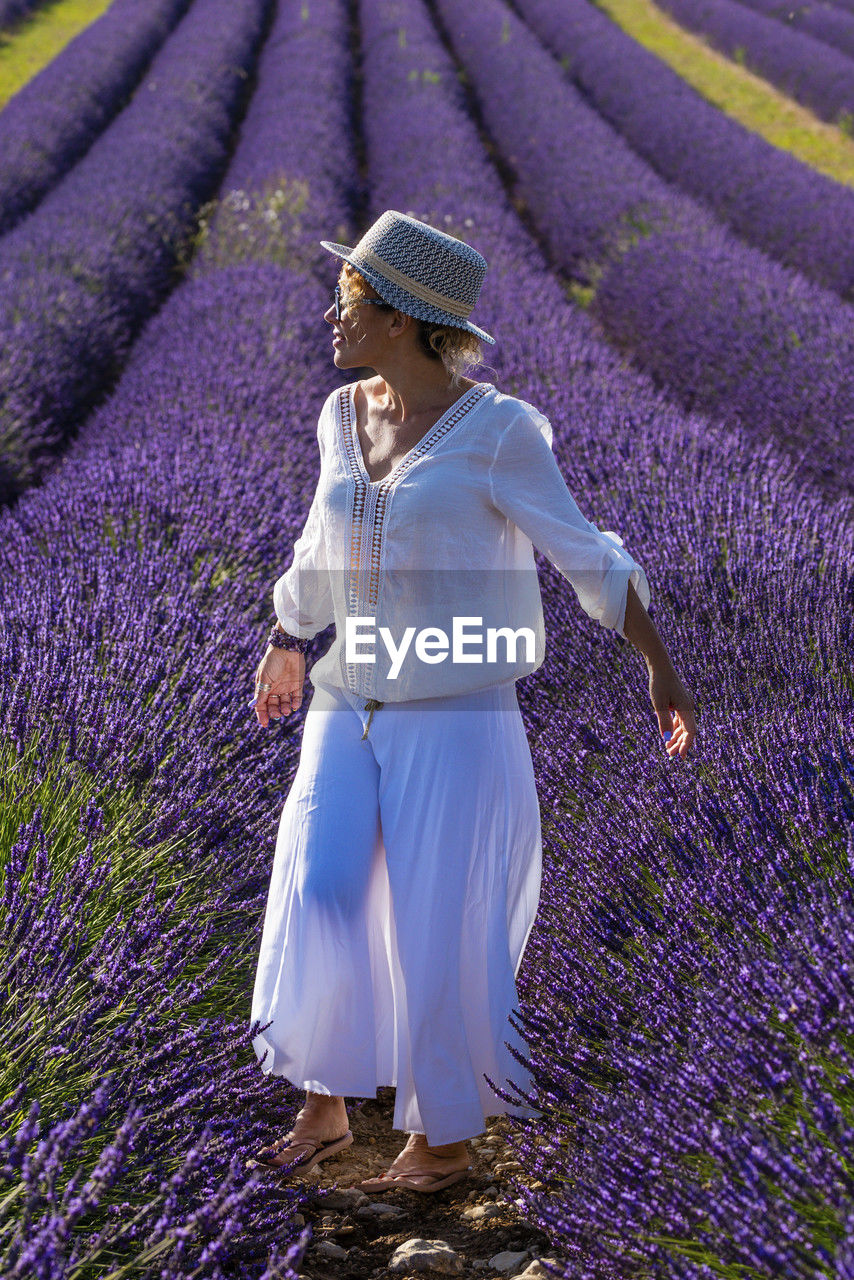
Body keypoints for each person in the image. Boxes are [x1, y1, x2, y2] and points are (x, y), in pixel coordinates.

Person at [248, 210, 697, 1193]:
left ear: (400, 318)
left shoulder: (499, 431)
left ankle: (439, 1137)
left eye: (349, 297)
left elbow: (583, 552)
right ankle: (322, 1104)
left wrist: (654, 659)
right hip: (348, 692)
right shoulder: (338, 416)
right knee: (317, 885)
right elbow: (320, 549)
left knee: (438, 915)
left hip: (452, 706)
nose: (331, 312)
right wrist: (288, 636)